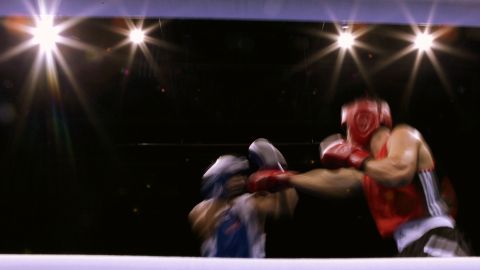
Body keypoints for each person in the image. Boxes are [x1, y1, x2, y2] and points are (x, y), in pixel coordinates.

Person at [248, 98, 470, 257]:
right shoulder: (371, 167)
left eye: (346, 130)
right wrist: (288, 179)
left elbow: (399, 172)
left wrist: (354, 157)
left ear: (362, 121)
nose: (346, 138)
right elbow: (335, 180)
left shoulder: (402, 135)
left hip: (436, 238)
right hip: (410, 247)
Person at [188, 139, 298, 258]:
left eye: (241, 176)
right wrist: (218, 187)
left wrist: (279, 170)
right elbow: (206, 225)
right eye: (232, 176)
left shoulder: (251, 203)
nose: (241, 180)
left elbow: (288, 206)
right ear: (219, 180)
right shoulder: (200, 210)